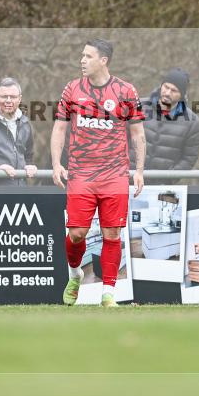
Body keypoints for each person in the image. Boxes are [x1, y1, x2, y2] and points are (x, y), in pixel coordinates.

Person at [52, 39, 146, 307]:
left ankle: (108, 293)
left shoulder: (126, 91)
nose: (82, 60)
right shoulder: (72, 88)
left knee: (112, 234)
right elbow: (59, 128)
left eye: (88, 56)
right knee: (77, 234)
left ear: (103, 60)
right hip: (81, 173)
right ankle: (75, 274)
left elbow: (138, 133)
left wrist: (139, 170)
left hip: (115, 173)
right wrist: (57, 163)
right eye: (82, 55)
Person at [138, 68, 199, 170]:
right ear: (161, 86)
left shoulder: (192, 122)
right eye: (166, 87)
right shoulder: (139, 106)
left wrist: (169, 177)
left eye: (174, 90)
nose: (167, 93)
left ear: (182, 95)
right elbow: (120, 139)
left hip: (162, 184)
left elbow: (189, 158)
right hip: (130, 178)